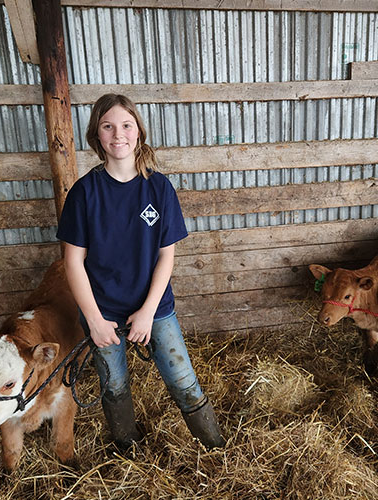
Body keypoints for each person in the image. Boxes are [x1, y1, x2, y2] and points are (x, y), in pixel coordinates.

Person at [57, 93, 225, 450]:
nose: (118, 134)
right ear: (96, 136)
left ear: (138, 132)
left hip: (154, 308)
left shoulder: (158, 187)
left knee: (182, 380)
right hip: (102, 311)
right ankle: (127, 449)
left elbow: (167, 256)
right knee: (114, 385)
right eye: (108, 126)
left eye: (126, 125)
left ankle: (216, 450)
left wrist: (148, 312)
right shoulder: (84, 193)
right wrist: (95, 320)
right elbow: (73, 262)